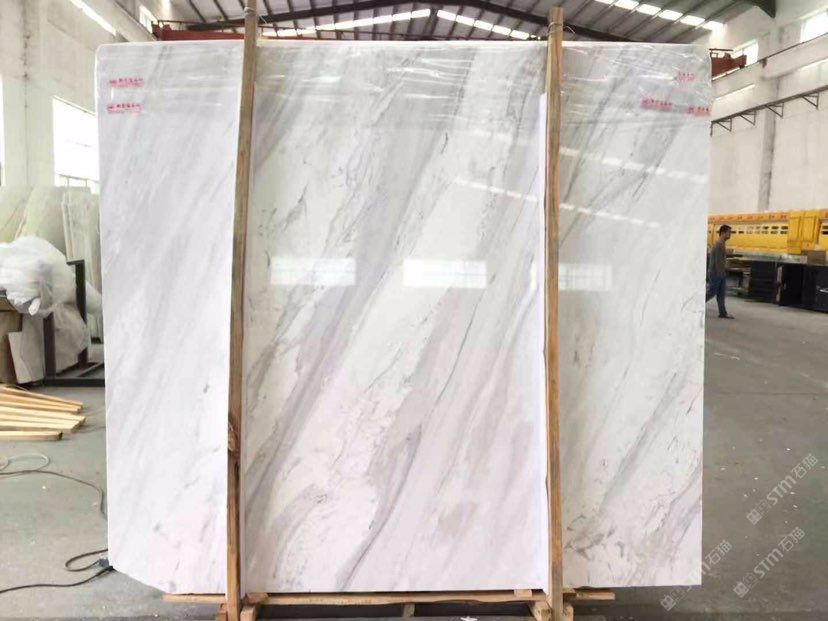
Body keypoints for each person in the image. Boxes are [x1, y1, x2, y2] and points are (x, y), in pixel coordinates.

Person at [707, 224, 733, 319]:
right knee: (711, 292)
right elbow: (718, 262)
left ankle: (723, 313)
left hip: (720, 272)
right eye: (729, 232)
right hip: (716, 273)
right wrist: (720, 274)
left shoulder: (722, 243)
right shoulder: (719, 244)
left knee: (721, 294)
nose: (730, 234)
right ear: (722, 233)